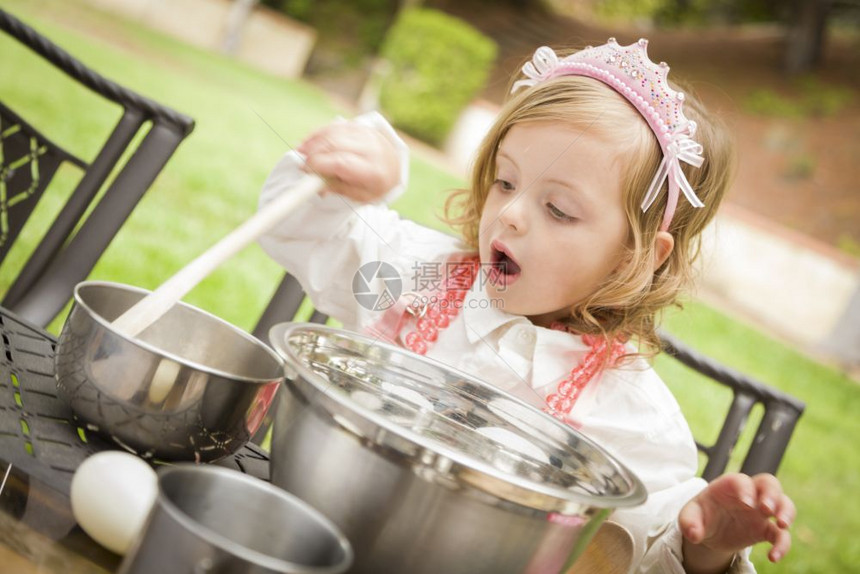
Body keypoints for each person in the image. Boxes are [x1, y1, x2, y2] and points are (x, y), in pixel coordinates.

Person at [258, 38, 795, 574]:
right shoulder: (420, 274)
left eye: (558, 209)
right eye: (505, 180)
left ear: (632, 257)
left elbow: (640, 555)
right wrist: (347, 174)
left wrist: (706, 549)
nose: (510, 213)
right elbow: (301, 231)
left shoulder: (633, 418)